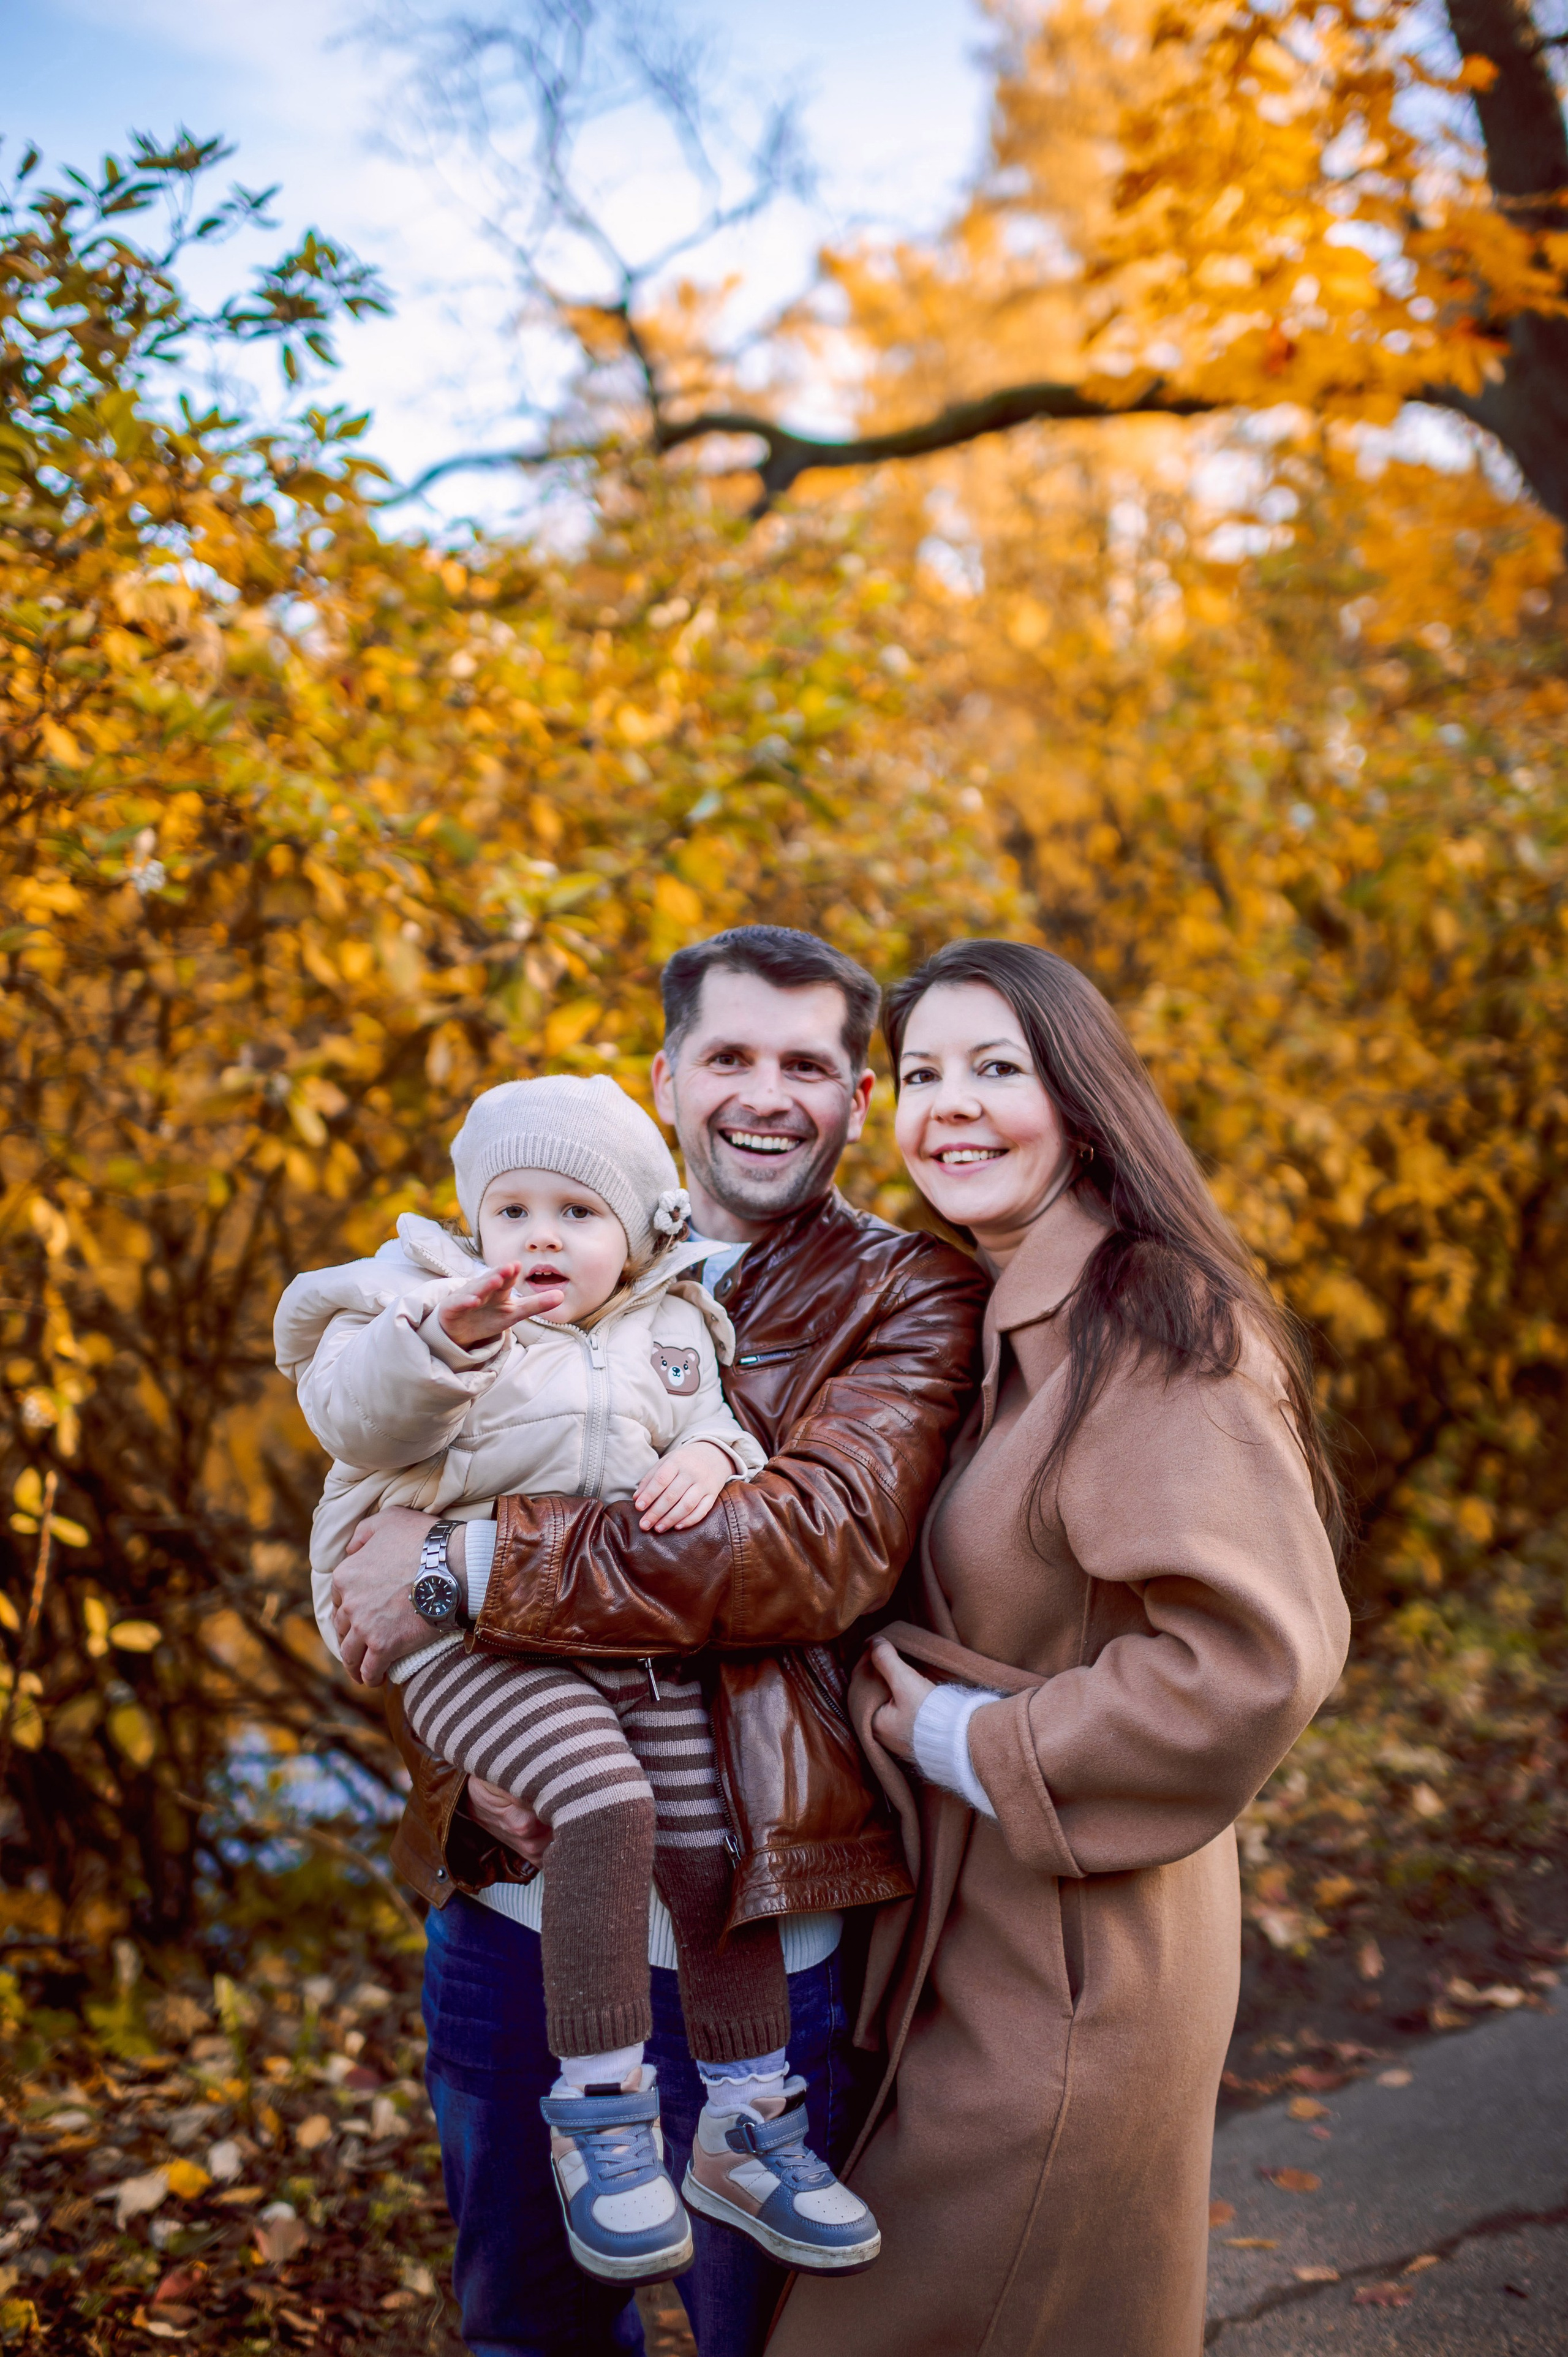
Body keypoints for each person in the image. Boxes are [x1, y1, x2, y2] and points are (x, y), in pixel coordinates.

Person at [330, 927, 990, 2357]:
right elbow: (384, 1538)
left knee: (757, 2334)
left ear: (856, 1101)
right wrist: (442, 1686)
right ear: (667, 1076)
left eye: (807, 1064)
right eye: (730, 1056)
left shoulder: (904, 1293)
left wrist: (464, 1569)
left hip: (751, 1908)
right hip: (511, 1893)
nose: (766, 1093)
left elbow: (805, 1552)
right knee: (526, 2327)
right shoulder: (516, 1246)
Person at [769, 938, 1351, 2357]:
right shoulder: (979, 1307)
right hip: (975, 1936)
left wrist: (971, 1741)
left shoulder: (1150, 1321)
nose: (950, 1106)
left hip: (1080, 1955)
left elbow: (1251, 1660)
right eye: (919, 1075)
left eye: (994, 1069)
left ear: (1077, 1098)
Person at [276, 1073, 879, 2285]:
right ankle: (599, 2113)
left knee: (714, 1837)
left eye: (575, 1211)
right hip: (468, 1648)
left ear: (639, 1231)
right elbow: (353, 1416)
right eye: (513, 1211)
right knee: (604, 1803)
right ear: (471, 1225)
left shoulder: (667, 1324)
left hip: (614, 1644)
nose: (540, 1237)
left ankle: (745, 2120)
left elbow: (728, 1431)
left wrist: (710, 1452)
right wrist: (446, 1339)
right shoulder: (417, 1304)